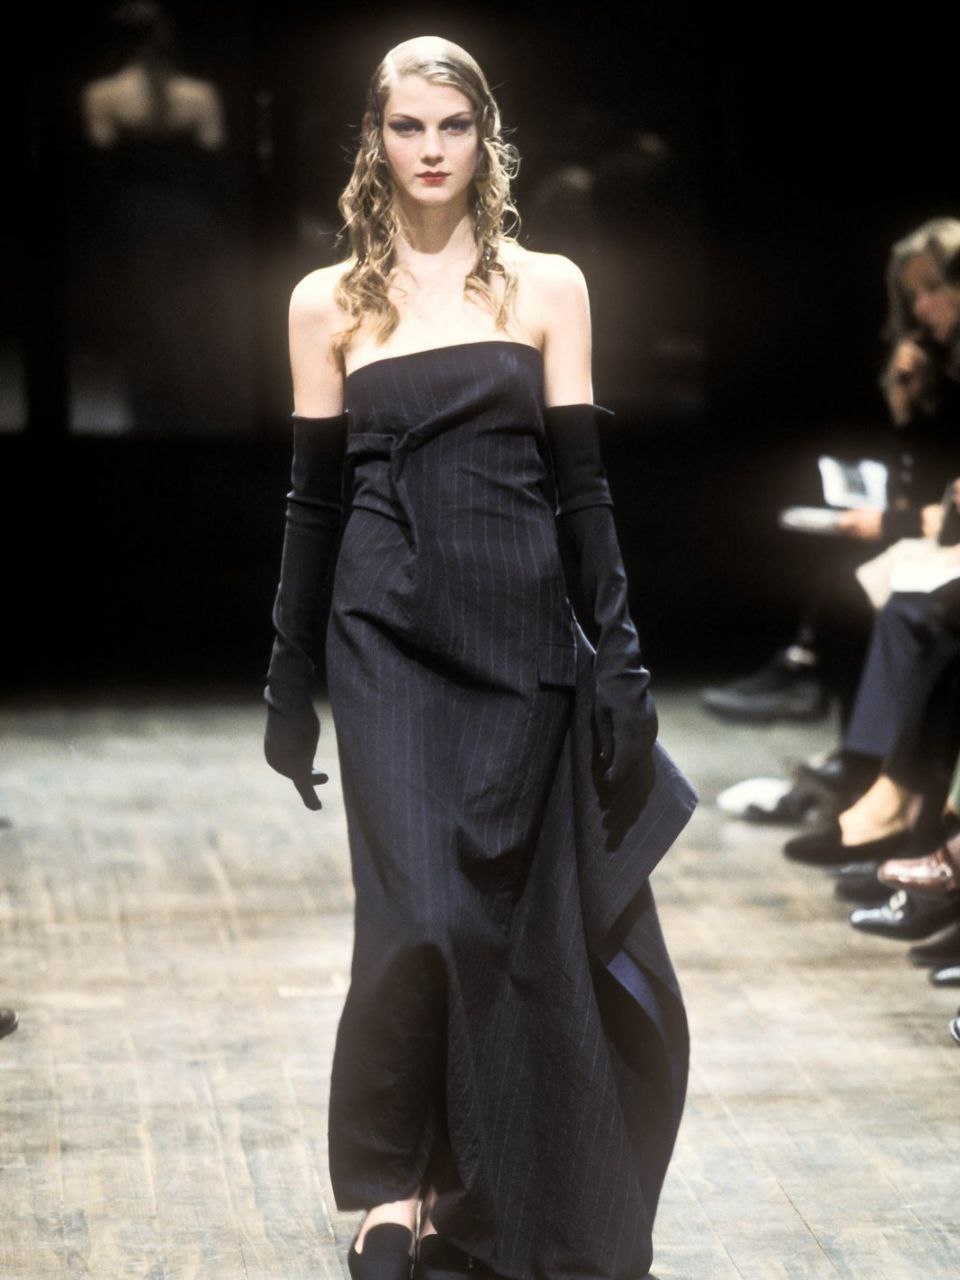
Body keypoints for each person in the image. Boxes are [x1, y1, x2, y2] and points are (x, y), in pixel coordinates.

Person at [262, 35, 697, 1280]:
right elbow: (311, 504)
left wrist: (620, 657)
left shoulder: (547, 288)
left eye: (452, 125)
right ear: (374, 140)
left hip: (520, 642)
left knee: (503, 929)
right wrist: (289, 677)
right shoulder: (329, 303)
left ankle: (477, 1180)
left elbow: (584, 491)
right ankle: (388, 1186)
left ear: (485, 137)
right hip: (384, 638)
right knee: (419, 918)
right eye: (407, 126)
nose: (431, 149)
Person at [701, 217, 960, 731]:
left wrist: (893, 523)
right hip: (945, 530)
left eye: (933, 289)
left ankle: (822, 696)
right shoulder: (943, 369)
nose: (921, 308)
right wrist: (906, 404)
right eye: (912, 296)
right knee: (854, 559)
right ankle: (845, 740)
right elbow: (930, 479)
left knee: (869, 575)